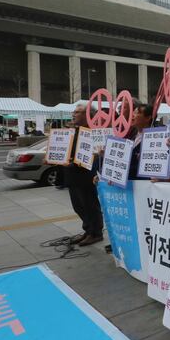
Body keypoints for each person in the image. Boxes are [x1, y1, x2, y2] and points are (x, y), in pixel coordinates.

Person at [67, 103, 104, 247]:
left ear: (88, 115)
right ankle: (88, 230)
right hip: (72, 175)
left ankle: (96, 233)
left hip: (86, 176)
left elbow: (95, 156)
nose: (73, 114)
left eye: (78, 112)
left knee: (90, 205)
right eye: (74, 112)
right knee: (78, 206)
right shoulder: (74, 131)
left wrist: (74, 163)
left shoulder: (94, 132)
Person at [128, 103, 153, 180]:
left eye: (137, 113)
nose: (132, 116)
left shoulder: (154, 139)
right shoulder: (132, 135)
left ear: (148, 118)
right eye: (133, 113)